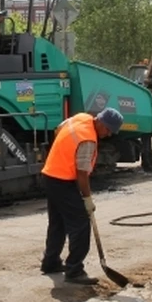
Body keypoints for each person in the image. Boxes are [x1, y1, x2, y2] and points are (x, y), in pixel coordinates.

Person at [40, 107, 124, 285]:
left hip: (50, 174)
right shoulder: (88, 140)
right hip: (64, 180)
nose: (108, 134)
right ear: (100, 122)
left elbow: (58, 129)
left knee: (58, 222)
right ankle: (74, 269)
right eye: (108, 130)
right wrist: (87, 199)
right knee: (80, 223)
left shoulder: (80, 118)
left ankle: (50, 262)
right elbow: (82, 174)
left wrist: (62, 152)